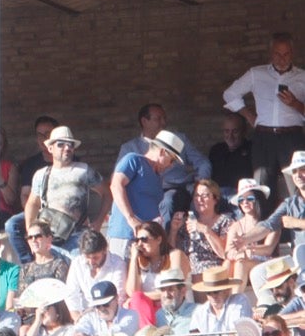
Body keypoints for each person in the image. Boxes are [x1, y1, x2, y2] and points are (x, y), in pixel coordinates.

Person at [223, 32, 305, 198]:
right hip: (264, 136)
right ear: (270, 54)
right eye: (277, 54)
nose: (282, 59)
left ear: (292, 54)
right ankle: (264, 224)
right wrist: (248, 115)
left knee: (297, 185)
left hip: (292, 136)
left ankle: (299, 223)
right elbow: (230, 94)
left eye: (286, 54)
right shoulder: (256, 74)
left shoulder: (302, 77)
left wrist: (295, 104)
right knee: (262, 185)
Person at [15, 126, 107, 262]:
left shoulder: (84, 170)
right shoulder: (41, 174)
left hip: (78, 237)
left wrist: (98, 222)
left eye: (70, 145)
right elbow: (33, 203)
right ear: (50, 148)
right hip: (50, 239)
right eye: (61, 144)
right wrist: (32, 232)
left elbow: (107, 194)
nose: (67, 148)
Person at [116, 104, 211, 226]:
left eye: (164, 118)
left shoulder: (178, 140)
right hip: (146, 194)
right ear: (144, 121)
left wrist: (201, 182)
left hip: (177, 189)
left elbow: (202, 162)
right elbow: (117, 183)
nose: (163, 123)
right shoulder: (130, 150)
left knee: (168, 201)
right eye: (158, 119)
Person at [106, 130, 186, 257]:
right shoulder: (133, 160)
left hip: (147, 240)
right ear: (162, 152)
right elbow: (116, 185)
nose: (171, 166)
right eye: (171, 160)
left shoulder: (158, 177)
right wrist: (131, 218)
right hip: (125, 235)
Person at [124, 221, 189, 328]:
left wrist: (142, 296)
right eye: (137, 240)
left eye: (144, 239)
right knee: (136, 299)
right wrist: (134, 258)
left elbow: (175, 289)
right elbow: (132, 292)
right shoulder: (140, 262)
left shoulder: (175, 255)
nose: (140, 244)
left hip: (173, 305)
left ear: (159, 239)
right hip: (148, 311)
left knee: (137, 297)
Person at [224, 178, 279, 284]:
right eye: (241, 199)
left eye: (249, 198)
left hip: (269, 265)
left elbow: (268, 249)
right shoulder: (235, 226)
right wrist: (234, 254)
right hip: (244, 261)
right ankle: (225, 298)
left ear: (258, 199)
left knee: (241, 263)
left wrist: (246, 251)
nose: (245, 202)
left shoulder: (271, 222)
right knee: (227, 263)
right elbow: (227, 252)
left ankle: (236, 297)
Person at [170, 179, 230, 273]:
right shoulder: (186, 223)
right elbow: (173, 255)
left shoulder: (225, 222)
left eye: (205, 196)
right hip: (187, 273)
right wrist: (174, 231)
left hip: (212, 272)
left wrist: (206, 230)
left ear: (215, 199)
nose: (199, 199)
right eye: (196, 195)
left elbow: (224, 254)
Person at [209, 112, 253, 198]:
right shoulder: (216, 150)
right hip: (218, 197)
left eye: (235, 131)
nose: (230, 136)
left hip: (241, 195)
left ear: (244, 131)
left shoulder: (252, 149)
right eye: (227, 131)